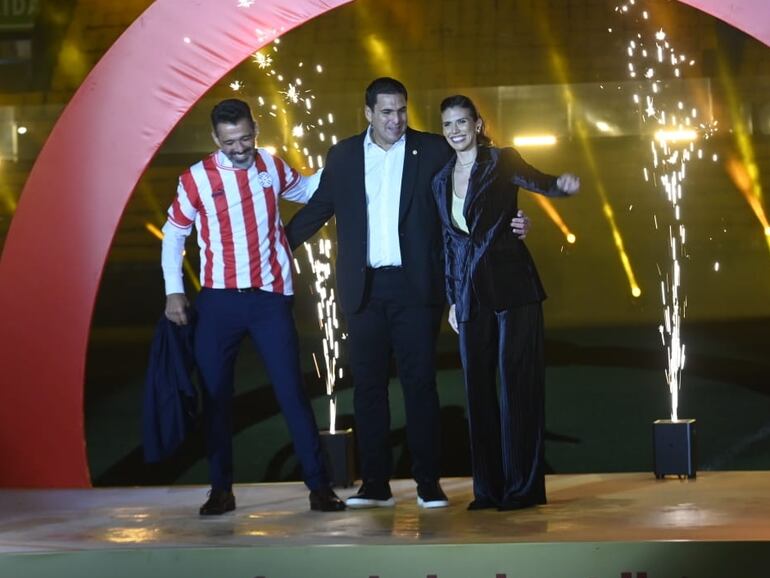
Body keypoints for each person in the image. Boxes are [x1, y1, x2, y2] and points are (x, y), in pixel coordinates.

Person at [284, 78, 531, 509]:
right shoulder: (342, 156)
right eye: (386, 112)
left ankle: (427, 483)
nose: (396, 120)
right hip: (362, 289)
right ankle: (375, 485)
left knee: (420, 385)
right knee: (368, 388)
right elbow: (319, 209)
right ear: (368, 114)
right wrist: (272, 251)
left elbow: (479, 180)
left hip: (417, 287)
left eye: (401, 110)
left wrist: (511, 219)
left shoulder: (433, 149)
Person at [161, 98, 345, 515]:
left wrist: (344, 162)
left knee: (292, 394)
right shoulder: (196, 179)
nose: (240, 148)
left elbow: (306, 189)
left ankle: (319, 487)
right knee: (217, 398)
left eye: (245, 138)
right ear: (215, 139)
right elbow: (174, 234)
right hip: (217, 303)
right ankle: (221, 490)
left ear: (255, 130)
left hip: (270, 300)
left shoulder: (270, 164)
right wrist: (174, 291)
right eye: (230, 142)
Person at [432, 94, 579, 511]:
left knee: (519, 388)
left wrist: (560, 187)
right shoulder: (440, 180)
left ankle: (523, 489)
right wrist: (452, 300)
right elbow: (449, 244)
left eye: (463, 122)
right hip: (468, 297)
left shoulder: (502, 161)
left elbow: (538, 180)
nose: (456, 130)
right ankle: (488, 491)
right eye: (448, 125)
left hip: (514, 287)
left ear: (477, 125)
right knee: (477, 392)